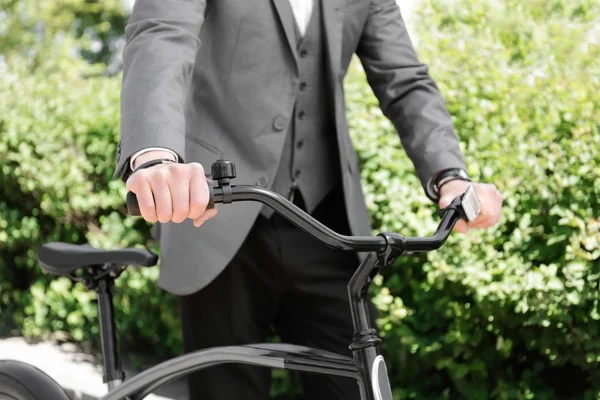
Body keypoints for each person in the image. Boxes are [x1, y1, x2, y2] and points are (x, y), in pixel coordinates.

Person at [114, 0, 503, 399]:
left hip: (327, 226)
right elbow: (161, 35)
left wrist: (450, 176)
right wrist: (155, 156)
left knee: (353, 387)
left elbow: (403, 79)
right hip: (216, 219)